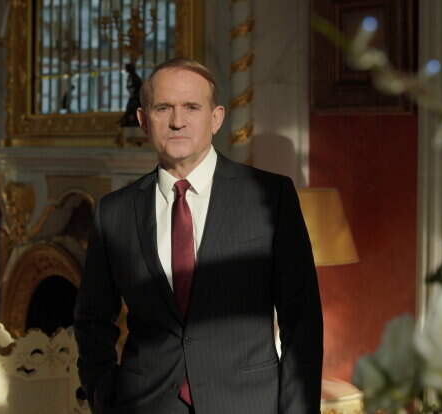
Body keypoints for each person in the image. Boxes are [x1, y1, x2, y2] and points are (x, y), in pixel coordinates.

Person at [74, 57, 323, 414]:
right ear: (143, 120)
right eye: (163, 108)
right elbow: (92, 321)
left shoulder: (270, 197)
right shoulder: (114, 212)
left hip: (248, 404)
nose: (178, 121)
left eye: (192, 107)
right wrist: (105, 398)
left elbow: (302, 319)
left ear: (216, 118)